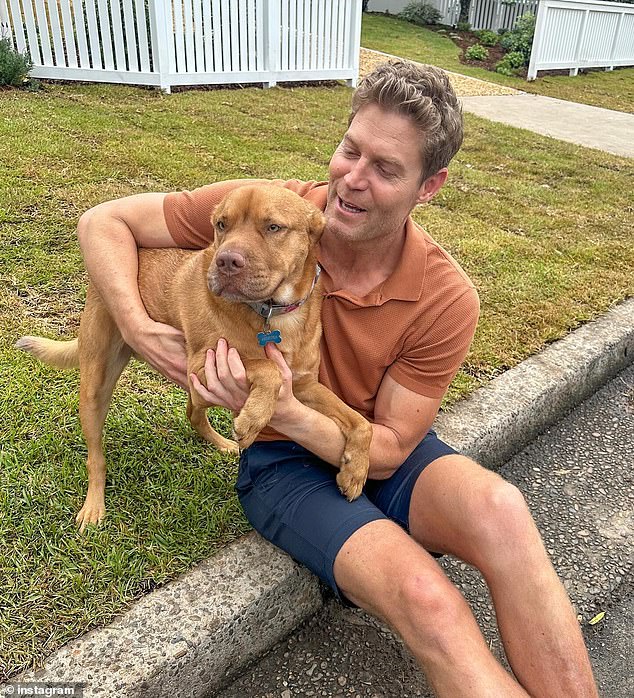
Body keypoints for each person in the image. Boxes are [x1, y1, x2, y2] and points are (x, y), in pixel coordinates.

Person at [77, 61, 597, 697]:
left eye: (385, 168)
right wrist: (137, 324)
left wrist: (291, 408)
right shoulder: (266, 208)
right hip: (281, 464)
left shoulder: (443, 297)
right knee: (429, 602)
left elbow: (389, 450)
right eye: (351, 150)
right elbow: (102, 222)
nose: (352, 179)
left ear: (429, 186)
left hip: (365, 441)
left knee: (503, 510)